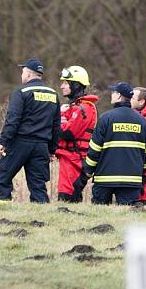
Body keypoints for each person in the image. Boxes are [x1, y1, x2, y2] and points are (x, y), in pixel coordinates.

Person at [72, 81, 146, 205]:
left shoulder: (105, 118)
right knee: (128, 219)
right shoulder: (142, 121)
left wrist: (87, 171)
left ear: (119, 96)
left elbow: (94, 150)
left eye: (114, 92)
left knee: (101, 217)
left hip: (105, 179)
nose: (111, 94)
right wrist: (141, 175)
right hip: (132, 181)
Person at [0, 58, 61, 203]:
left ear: (29, 74)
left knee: (4, 179)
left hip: (20, 143)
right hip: (41, 146)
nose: (21, 75)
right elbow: (56, 125)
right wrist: (52, 150)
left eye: (23, 72)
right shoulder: (53, 94)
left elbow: (12, 121)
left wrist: (2, 142)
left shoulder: (21, 92)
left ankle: (0, 211)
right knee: (38, 185)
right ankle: (41, 218)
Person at [55, 66, 99, 202]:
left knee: (67, 197)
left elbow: (66, 132)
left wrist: (60, 114)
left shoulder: (83, 108)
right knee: (68, 196)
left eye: (66, 83)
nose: (62, 86)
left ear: (76, 85)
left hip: (74, 159)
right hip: (68, 157)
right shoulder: (75, 106)